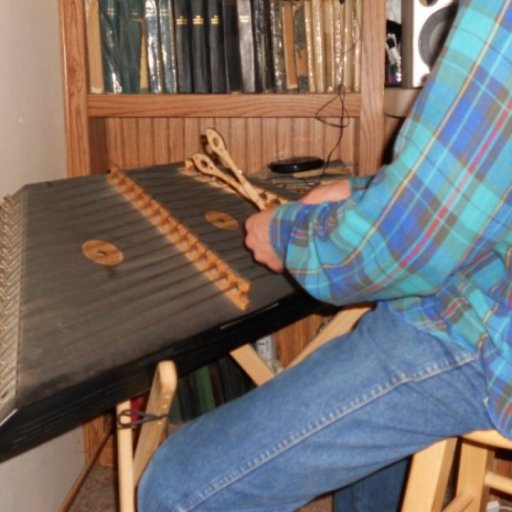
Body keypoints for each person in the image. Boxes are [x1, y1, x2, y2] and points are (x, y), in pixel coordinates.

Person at [138, 0, 512, 510]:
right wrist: (367, 192)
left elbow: (406, 248)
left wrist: (288, 235)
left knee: (177, 489)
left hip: (491, 333)